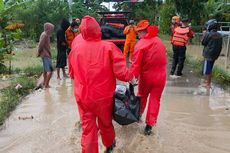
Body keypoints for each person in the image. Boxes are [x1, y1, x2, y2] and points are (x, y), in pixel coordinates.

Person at [68, 16, 133, 153]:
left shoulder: (75, 50)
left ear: (82, 31)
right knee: (105, 123)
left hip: (83, 97)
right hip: (103, 97)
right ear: (98, 30)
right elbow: (122, 74)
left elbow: (72, 74)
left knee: (88, 128)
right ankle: (110, 146)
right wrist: (132, 75)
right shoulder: (109, 48)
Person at [130, 20, 167, 135]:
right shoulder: (159, 41)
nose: (137, 35)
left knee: (142, 97)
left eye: (138, 32)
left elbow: (136, 65)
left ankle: (138, 116)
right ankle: (149, 127)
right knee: (155, 100)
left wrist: (132, 78)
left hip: (147, 77)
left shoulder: (141, 44)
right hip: (161, 77)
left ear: (142, 31)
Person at [202, 19, 222, 88]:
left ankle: (208, 84)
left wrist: (204, 35)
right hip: (215, 54)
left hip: (208, 54)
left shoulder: (208, 34)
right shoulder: (219, 35)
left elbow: (203, 43)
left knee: (207, 70)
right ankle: (207, 82)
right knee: (210, 68)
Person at [37, 22, 54, 88]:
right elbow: (41, 45)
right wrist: (39, 52)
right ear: (48, 28)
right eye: (51, 29)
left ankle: (44, 82)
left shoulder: (45, 34)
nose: (52, 31)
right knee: (50, 71)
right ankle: (46, 85)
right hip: (45, 55)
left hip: (45, 54)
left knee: (45, 70)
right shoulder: (45, 35)